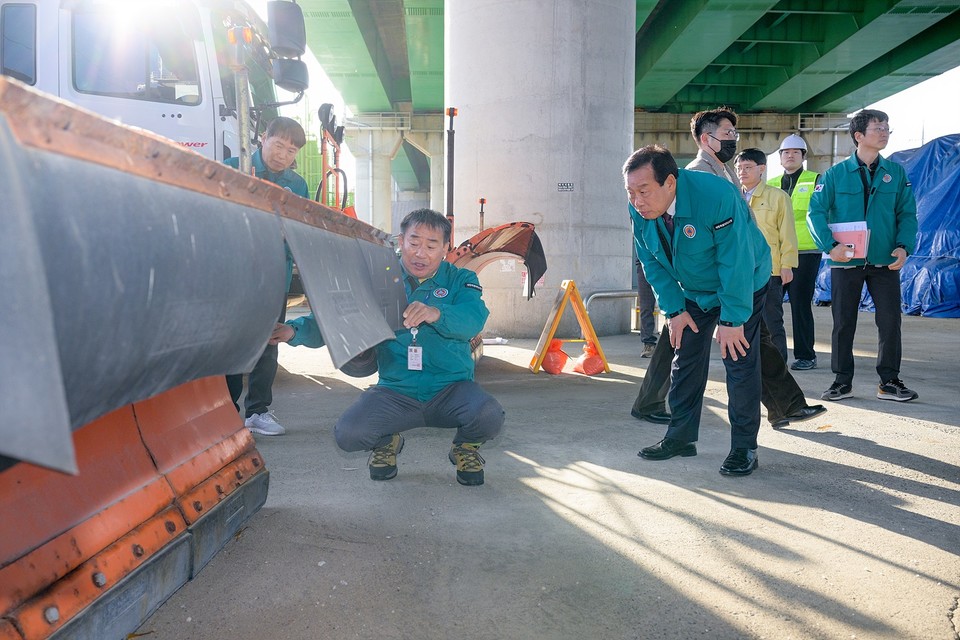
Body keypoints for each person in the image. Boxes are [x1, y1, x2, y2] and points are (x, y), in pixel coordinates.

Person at [271, 208, 505, 485]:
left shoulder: (460, 280)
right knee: (349, 434)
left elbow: (474, 318)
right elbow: (340, 316)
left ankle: (465, 447)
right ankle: (387, 440)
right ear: (400, 241)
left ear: (445, 248)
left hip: (451, 389)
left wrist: (437, 313)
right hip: (396, 390)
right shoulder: (380, 276)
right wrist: (293, 331)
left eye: (431, 245)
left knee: (489, 415)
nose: (420, 253)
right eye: (414, 242)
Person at [631, 107, 825, 430]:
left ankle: (786, 404)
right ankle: (652, 402)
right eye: (727, 135)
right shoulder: (697, 177)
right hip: (708, 281)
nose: (734, 140)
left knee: (748, 340)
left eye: (735, 135)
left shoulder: (723, 170)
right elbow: (689, 246)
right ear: (707, 139)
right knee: (683, 339)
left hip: (735, 277)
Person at [625, 145, 769, 476]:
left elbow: (736, 260)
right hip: (693, 289)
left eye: (644, 191)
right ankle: (681, 438)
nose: (637, 201)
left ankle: (744, 447)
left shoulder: (716, 195)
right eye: (631, 192)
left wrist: (732, 319)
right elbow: (650, 261)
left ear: (670, 183)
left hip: (742, 281)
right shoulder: (640, 208)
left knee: (739, 362)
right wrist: (674, 310)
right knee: (685, 357)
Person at [807, 109, 919, 403]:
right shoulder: (834, 175)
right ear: (859, 136)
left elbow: (907, 213)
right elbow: (815, 212)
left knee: (890, 321)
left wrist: (904, 246)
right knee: (844, 322)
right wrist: (830, 246)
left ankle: (889, 381)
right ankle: (842, 381)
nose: (884, 132)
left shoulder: (895, 173)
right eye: (877, 127)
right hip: (846, 261)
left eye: (887, 127)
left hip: (884, 260)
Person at [225, 116, 309, 436]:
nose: (283, 154)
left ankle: (258, 410)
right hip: (235, 272)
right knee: (233, 341)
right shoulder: (233, 166)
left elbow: (298, 228)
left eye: (291, 150)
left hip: (275, 270)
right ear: (263, 138)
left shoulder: (297, 184)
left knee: (269, 339)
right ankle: (227, 410)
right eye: (278, 145)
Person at [735, 148, 798, 363]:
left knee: (772, 323)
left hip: (770, 271)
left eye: (748, 167)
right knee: (742, 322)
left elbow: (788, 233)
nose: (742, 171)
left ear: (762, 169)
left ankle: (779, 370)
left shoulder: (778, 197)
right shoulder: (733, 197)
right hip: (740, 273)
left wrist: (788, 264)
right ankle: (751, 367)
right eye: (739, 168)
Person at [770, 134, 821, 371]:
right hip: (775, 253)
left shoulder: (815, 180)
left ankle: (805, 355)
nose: (790, 155)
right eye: (785, 152)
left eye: (795, 152)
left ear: (803, 156)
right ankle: (771, 353)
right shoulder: (769, 184)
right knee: (770, 305)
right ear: (779, 157)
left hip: (805, 252)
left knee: (801, 305)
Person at [636, 257, 658, 358]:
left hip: (665, 262)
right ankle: (648, 343)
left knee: (673, 302)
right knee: (645, 306)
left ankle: (674, 343)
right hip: (644, 263)